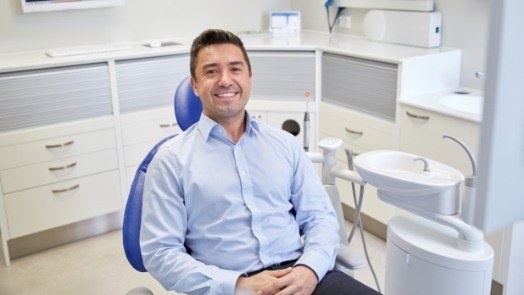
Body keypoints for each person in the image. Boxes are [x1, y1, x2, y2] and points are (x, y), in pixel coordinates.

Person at [140, 28, 381, 295]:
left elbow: (320, 218)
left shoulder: (285, 145)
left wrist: (309, 269)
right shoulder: (171, 160)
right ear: (195, 85)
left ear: (249, 77)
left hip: (300, 275)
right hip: (228, 285)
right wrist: (239, 285)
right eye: (211, 71)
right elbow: (160, 253)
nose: (225, 80)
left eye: (235, 69)